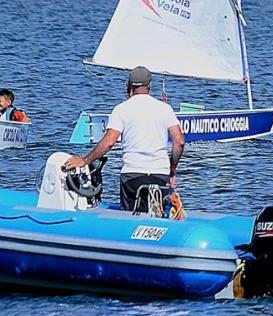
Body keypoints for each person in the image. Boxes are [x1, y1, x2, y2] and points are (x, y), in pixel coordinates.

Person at [64, 66, 185, 213]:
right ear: (150, 86)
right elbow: (179, 142)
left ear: (128, 85)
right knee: (158, 216)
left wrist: (85, 160)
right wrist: (172, 169)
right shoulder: (165, 109)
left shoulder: (121, 109)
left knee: (132, 218)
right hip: (160, 175)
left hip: (132, 175)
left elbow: (109, 142)